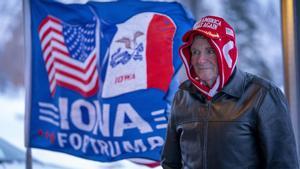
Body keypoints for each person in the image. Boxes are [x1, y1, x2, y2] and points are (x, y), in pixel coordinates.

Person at [161, 15, 299, 169]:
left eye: (210, 51)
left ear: (227, 52)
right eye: (195, 52)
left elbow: (283, 165)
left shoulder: (262, 94)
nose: (200, 60)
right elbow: (170, 163)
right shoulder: (182, 96)